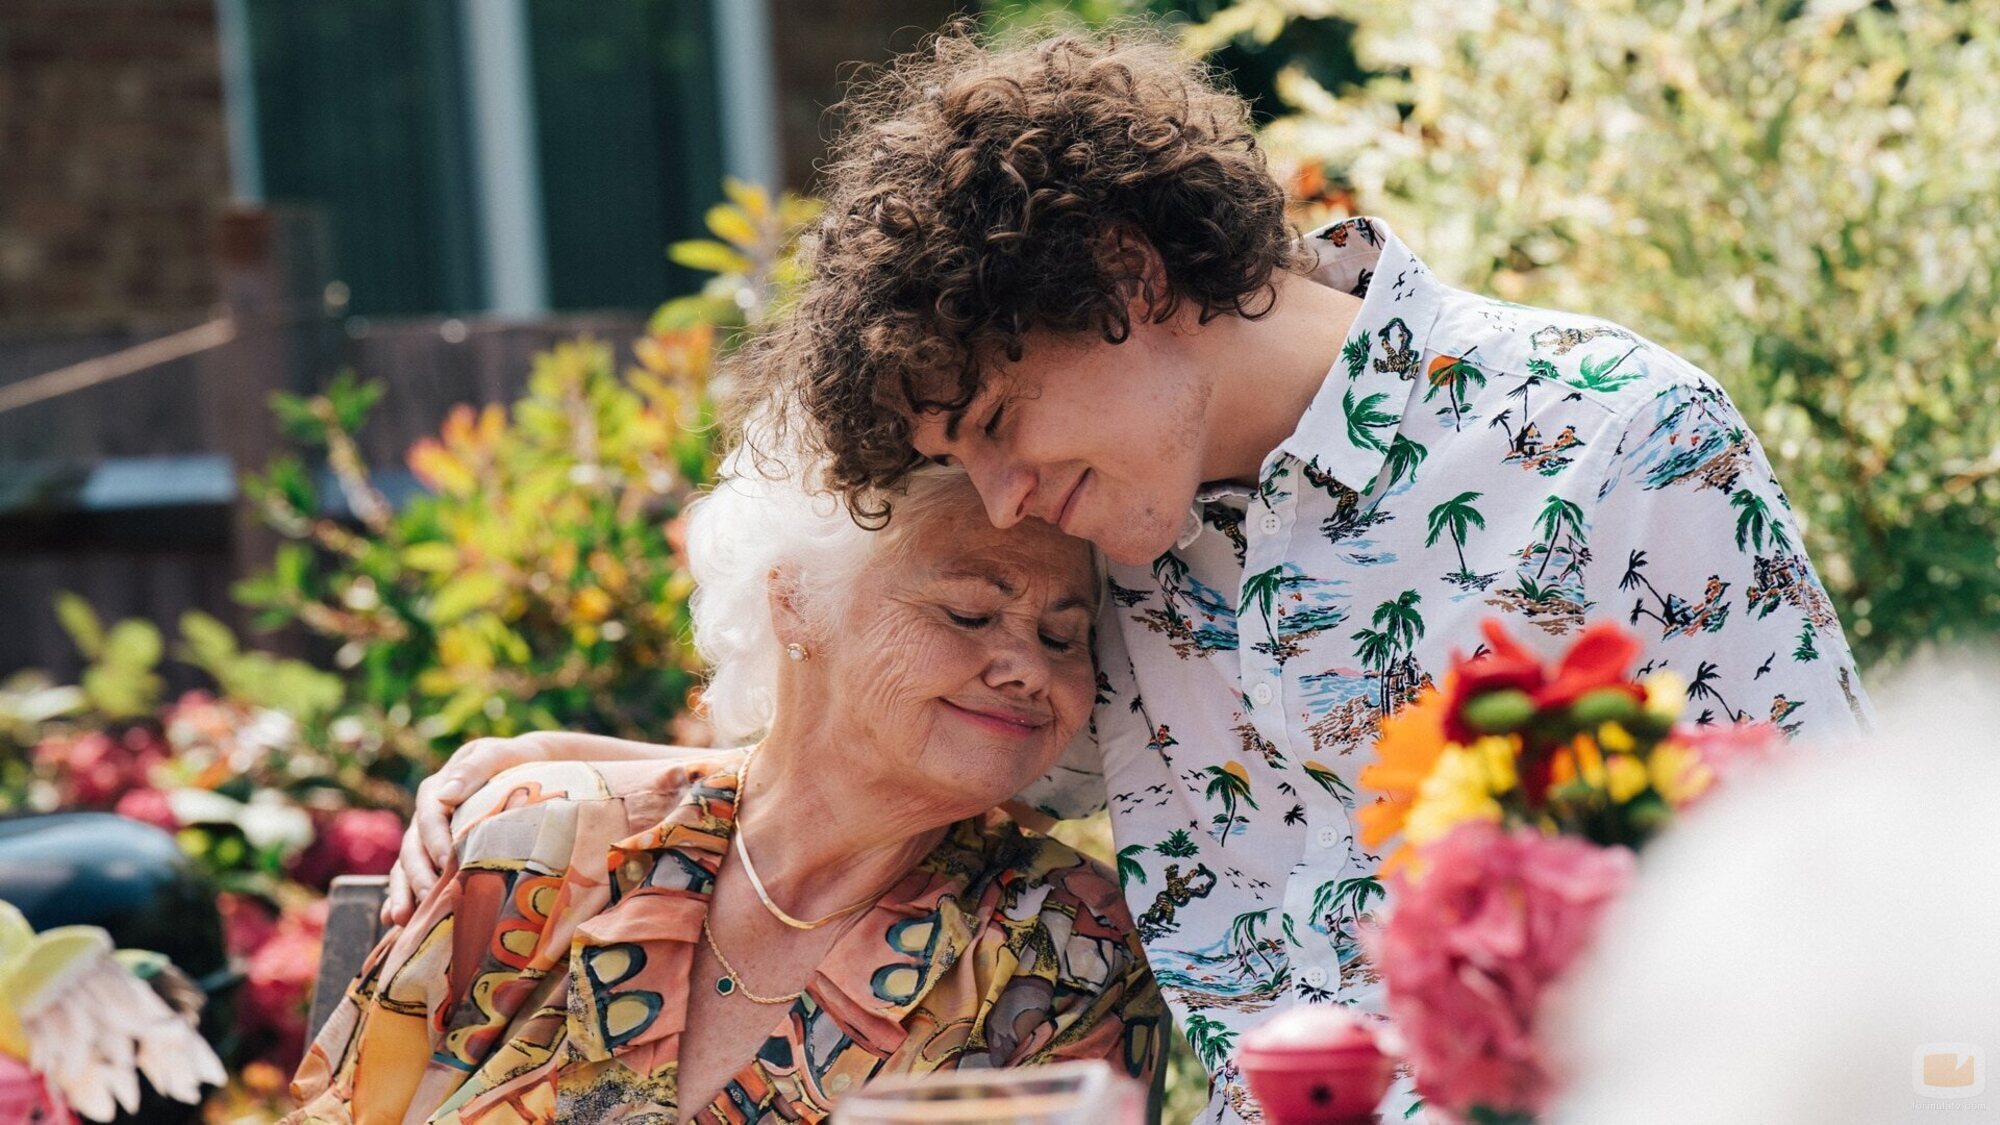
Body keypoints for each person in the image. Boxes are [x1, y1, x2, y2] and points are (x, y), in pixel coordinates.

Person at [392, 23, 1872, 1123]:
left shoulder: (1609, 437)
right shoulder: (1120, 547)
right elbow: (901, 738)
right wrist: (575, 764)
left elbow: (1850, 888)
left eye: (996, 426)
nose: (1007, 499)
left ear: (1126, 278)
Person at [294, 464, 1164, 1123]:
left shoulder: (1060, 948)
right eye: (971, 614)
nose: (1029, 670)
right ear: (795, 602)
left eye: (1064, 636)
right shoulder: (536, 845)